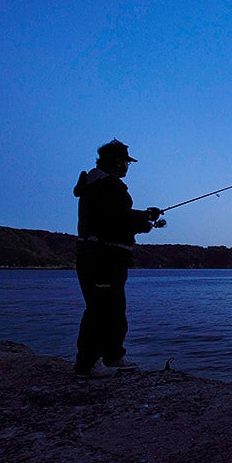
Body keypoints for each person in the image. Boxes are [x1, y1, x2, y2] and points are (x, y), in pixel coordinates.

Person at [72, 139, 164, 377]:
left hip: (97, 256)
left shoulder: (96, 185)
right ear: (117, 162)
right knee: (102, 310)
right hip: (104, 258)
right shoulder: (110, 186)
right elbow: (117, 220)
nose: (127, 166)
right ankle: (88, 365)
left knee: (111, 309)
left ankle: (113, 357)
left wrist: (144, 215)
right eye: (126, 162)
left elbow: (114, 216)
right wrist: (144, 221)